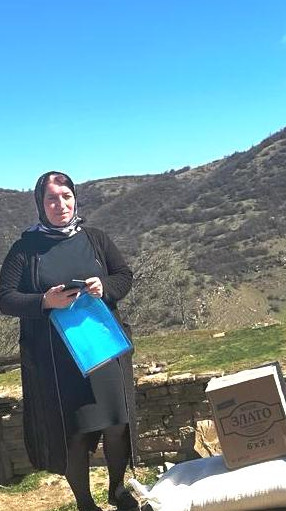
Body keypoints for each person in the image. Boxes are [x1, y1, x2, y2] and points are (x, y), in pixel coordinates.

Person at [0, 172, 139, 511]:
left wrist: (104, 287)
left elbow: (124, 275)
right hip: (58, 360)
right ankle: (85, 503)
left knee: (117, 424)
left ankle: (118, 490)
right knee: (75, 434)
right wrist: (44, 301)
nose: (60, 204)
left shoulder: (95, 238)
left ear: (75, 198)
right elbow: (4, 297)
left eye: (66, 196)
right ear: (40, 203)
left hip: (104, 348)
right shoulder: (26, 249)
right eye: (52, 198)